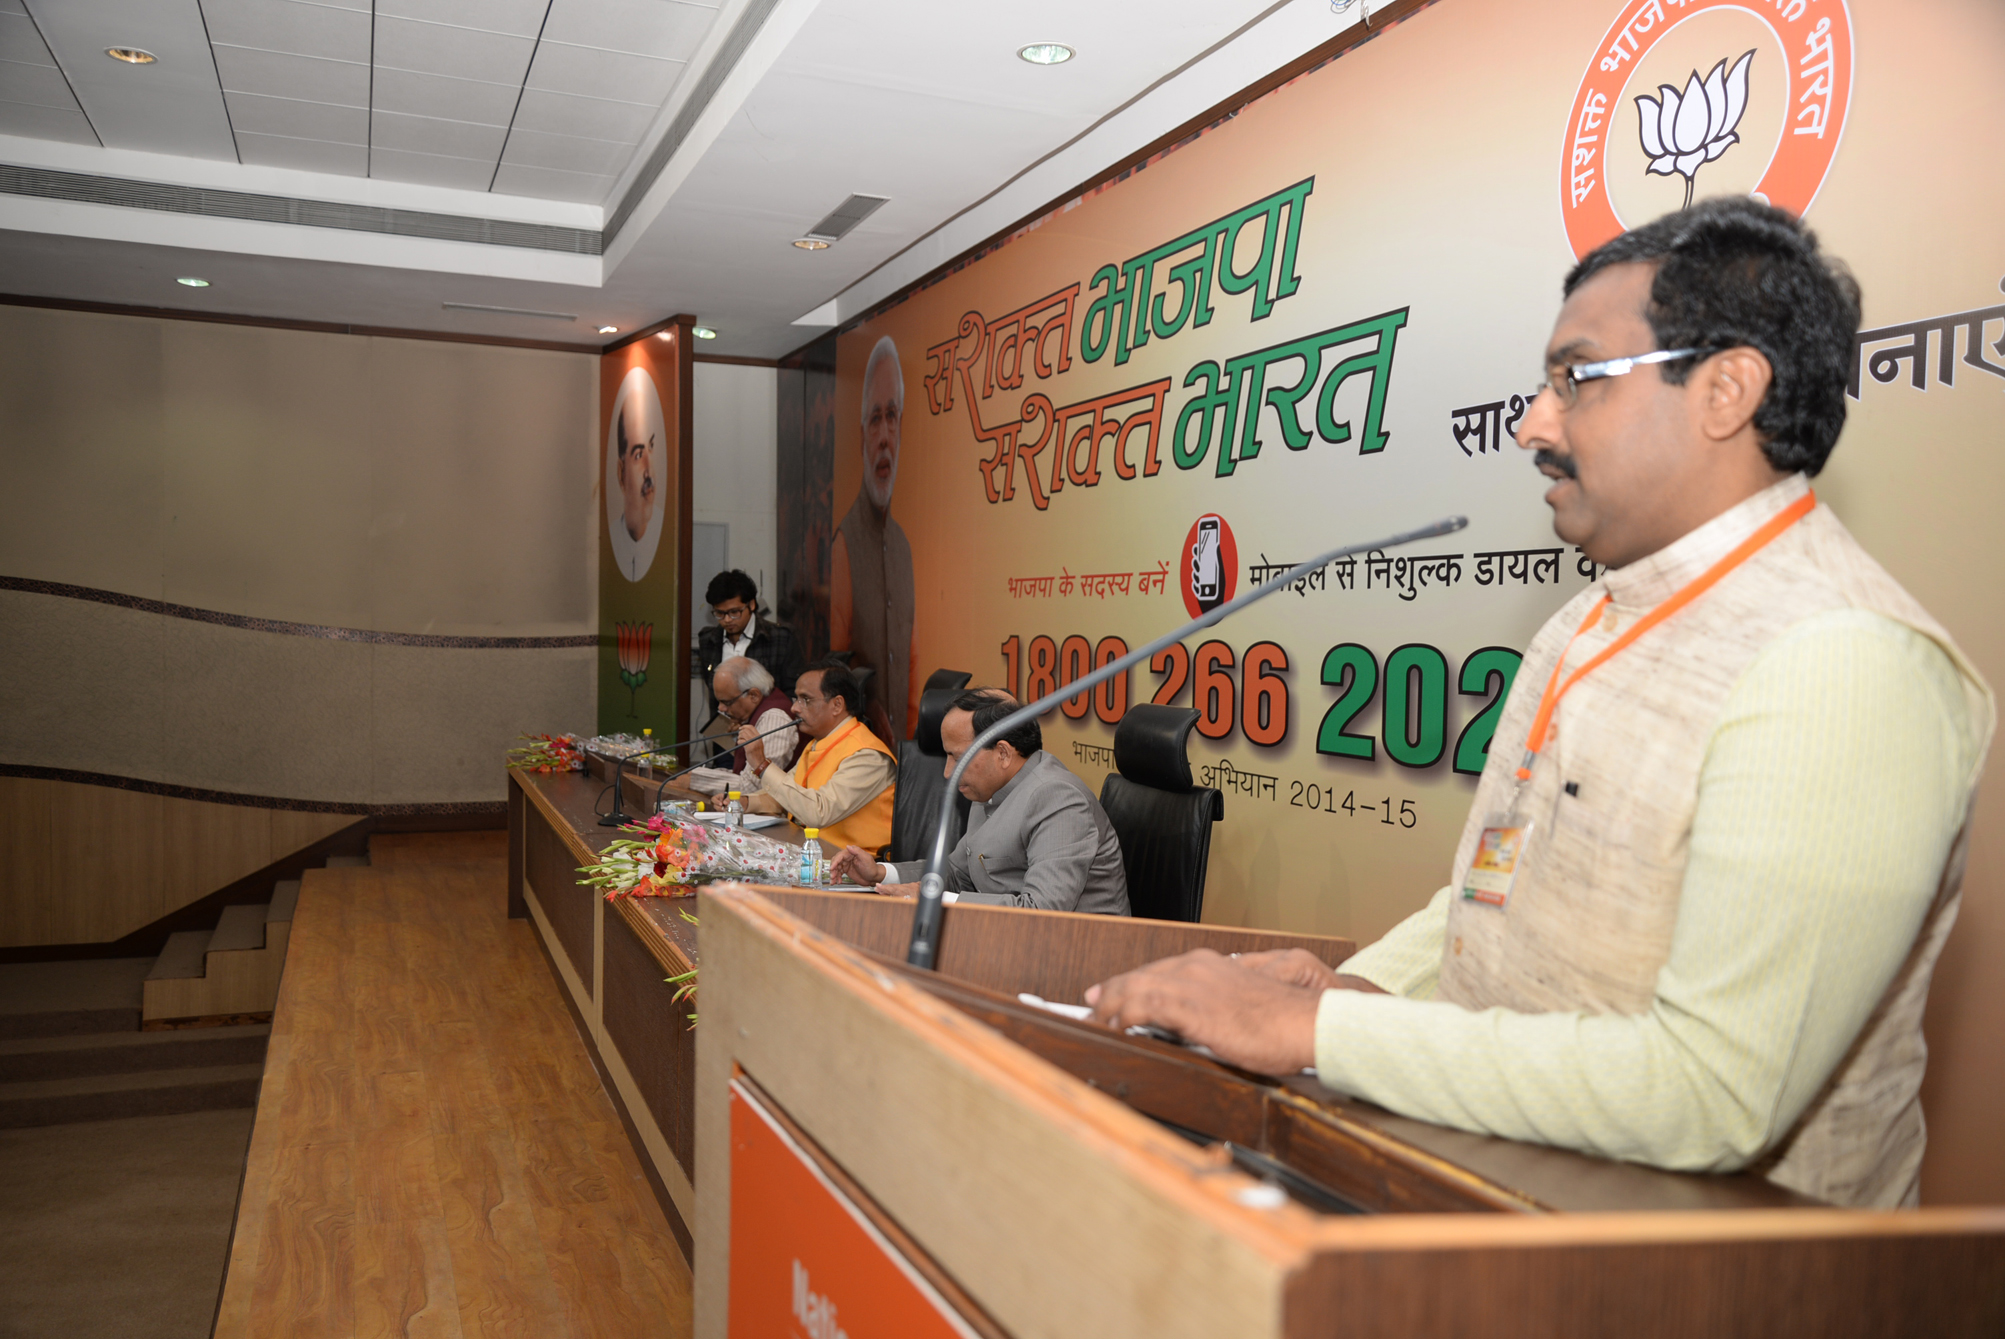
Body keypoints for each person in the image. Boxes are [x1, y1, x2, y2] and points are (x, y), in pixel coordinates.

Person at [1084, 198, 1993, 1209]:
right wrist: (1356, 987)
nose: (1532, 422)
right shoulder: (1586, 621)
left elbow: (1716, 1092)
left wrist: (1320, 1034)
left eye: (1576, 379)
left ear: (1726, 390)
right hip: (1504, 1210)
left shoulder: (1843, 661)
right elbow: (1500, 900)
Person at [829, 690, 1130, 915]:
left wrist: (934, 897)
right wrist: (881, 873)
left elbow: (1041, 909)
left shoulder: (1057, 799)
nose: (948, 773)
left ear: (1002, 753)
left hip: (1079, 956)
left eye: (957, 757)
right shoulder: (990, 788)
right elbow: (958, 874)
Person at [830, 336, 917, 743]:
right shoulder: (845, 545)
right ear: (861, 433)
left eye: (893, 416)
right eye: (875, 418)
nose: (885, 435)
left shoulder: (903, 547)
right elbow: (834, 671)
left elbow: (913, 673)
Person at [744, 659, 897, 852]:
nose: (794, 709)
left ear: (837, 705)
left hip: (855, 866)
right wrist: (744, 802)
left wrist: (763, 766)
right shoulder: (819, 743)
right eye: (795, 699)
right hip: (814, 853)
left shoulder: (867, 755)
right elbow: (788, 797)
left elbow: (819, 813)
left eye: (805, 700)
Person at [695, 570, 803, 720]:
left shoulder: (781, 638)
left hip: (767, 727)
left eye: (734, 612)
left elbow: (792, 692)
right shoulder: (709, 640)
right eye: (719, 613)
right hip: (724, 730)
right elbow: (715, 693)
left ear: (751, 604)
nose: (727, 620)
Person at [707, 656, 798, 792]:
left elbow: (755, 785)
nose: (721, 709)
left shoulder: (774, 718)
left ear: (753, 695)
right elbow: (742, 774)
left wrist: (694, 781)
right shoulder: (760, 712)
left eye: (727, 702)